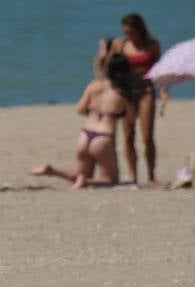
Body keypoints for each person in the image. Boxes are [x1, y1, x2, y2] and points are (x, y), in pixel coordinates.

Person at [31, 55, 141, 189]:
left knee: (80, 175)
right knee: (111, 180)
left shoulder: (94, 85)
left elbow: (80, 110)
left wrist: (95, 112)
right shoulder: (124, 92)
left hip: (85, 134)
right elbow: (131, 118)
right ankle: (83, 181)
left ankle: (53, 171)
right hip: (103, 137)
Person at [97, 14, 165, 185]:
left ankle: (151, 176)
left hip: (146, 90)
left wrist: (164, 91)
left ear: (139, 30)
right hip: (126, 92)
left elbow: (161, 69)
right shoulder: (121, 44)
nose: (129, 35)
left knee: (147, 135)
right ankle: (133, 177)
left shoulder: (152, 45)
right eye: (126, 32)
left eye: (131, 32)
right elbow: (107, 68)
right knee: (128, 135)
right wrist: (104, 53)